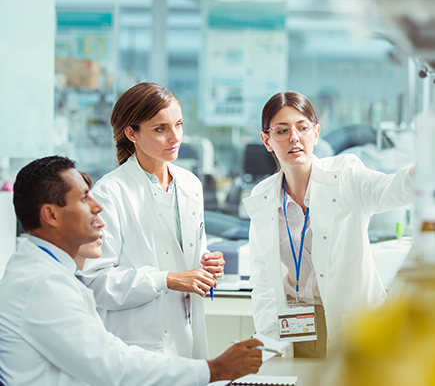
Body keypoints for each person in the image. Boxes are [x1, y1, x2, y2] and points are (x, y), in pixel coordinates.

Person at [0, 155, 262, 386]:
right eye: (83, 198)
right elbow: (111, 366)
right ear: (51, 215)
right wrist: (214, 369)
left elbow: (108, 352)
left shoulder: (48, 273)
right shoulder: (42, 285)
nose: (97, 206)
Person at [243, 91, 414, 359]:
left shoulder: (346, 175)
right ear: (266, 140)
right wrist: (268, 337)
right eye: (282, 130)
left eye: (302, 127)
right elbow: (263, 278)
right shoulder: (262, 197)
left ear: (316, 132)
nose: (294, 137)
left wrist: (424, 167)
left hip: (353, 324)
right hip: (294, 325)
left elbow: (393, 189)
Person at [83, 82, 225, 359]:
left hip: (186, 338)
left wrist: (207, 264)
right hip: (134, 345)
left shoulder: (189, 184)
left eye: (179, 125)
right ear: (131, 133)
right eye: (160, 129)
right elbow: (97, 281)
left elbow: (185, 256)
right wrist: (167, 280)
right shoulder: (110, 191)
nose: (175, 137)